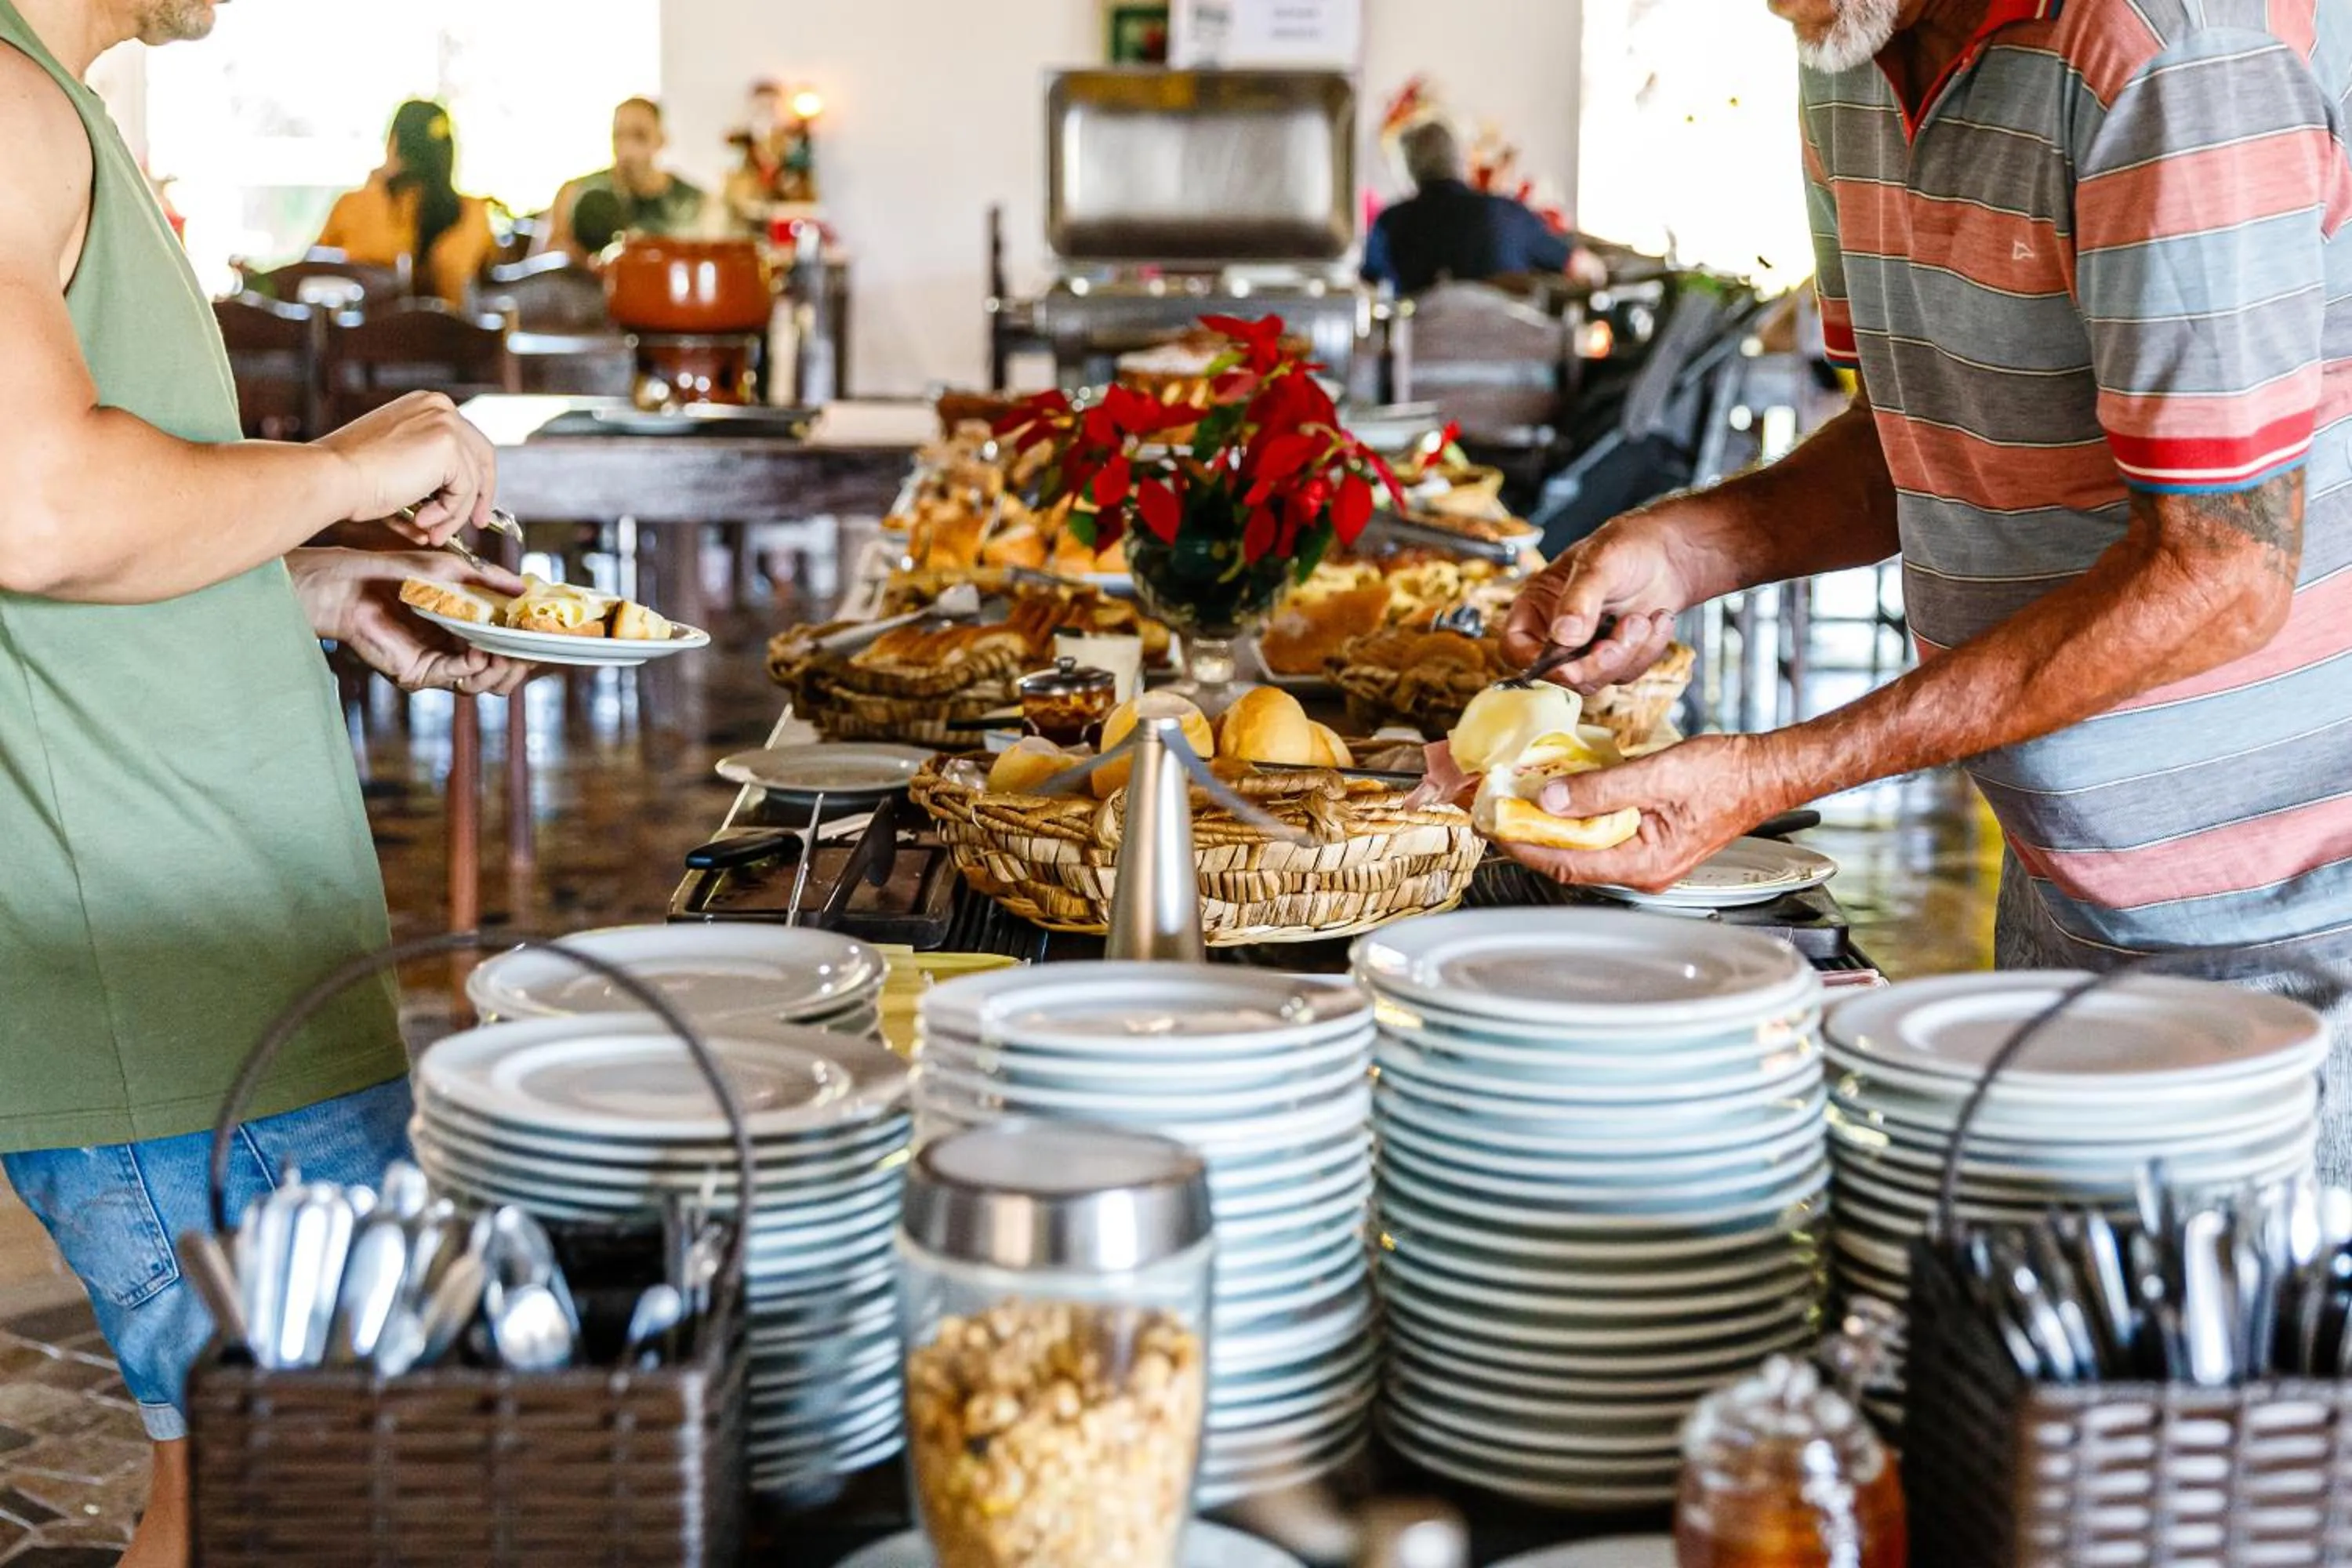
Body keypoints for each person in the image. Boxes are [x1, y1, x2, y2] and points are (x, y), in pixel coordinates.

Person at [1500, 0, 2352, 1167]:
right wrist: (1688, 548)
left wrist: (1775, 770)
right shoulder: (1847, 48)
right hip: (2070, 891)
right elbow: (1917, 424)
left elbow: (2224, 569)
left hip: (2303, 924)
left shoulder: (2167, 49)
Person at [0, 2, 528, 1562]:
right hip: (167, 983)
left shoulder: (53, 113)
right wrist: (359, 468)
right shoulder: (8, 109)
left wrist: (306, 581)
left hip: (213, 975)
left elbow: (78, 540)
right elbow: (35, 511)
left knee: (247, 1484)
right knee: (298, 1488)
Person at [1360, 120, 1606, 296]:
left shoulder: (1390, 223)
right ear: (1462, 161)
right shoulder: (1508, 215)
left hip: (1418, 365)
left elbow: (1366, 287)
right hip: (1516, 363)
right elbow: (1585, 269)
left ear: (1410, 170)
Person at [314, 98, 499, 307]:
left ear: (393, 143)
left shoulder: (354, 207)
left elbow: (307, 274)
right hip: (450, 336)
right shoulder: (473, 214)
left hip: (367, 337)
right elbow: (491, 278)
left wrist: (375, 185)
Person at [540, 96, 707, 263]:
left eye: (639, 136)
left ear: (661, 140)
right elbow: (552, 261)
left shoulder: (693, 203)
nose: (627, 148)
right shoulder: (575, 193)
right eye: (618, 136)